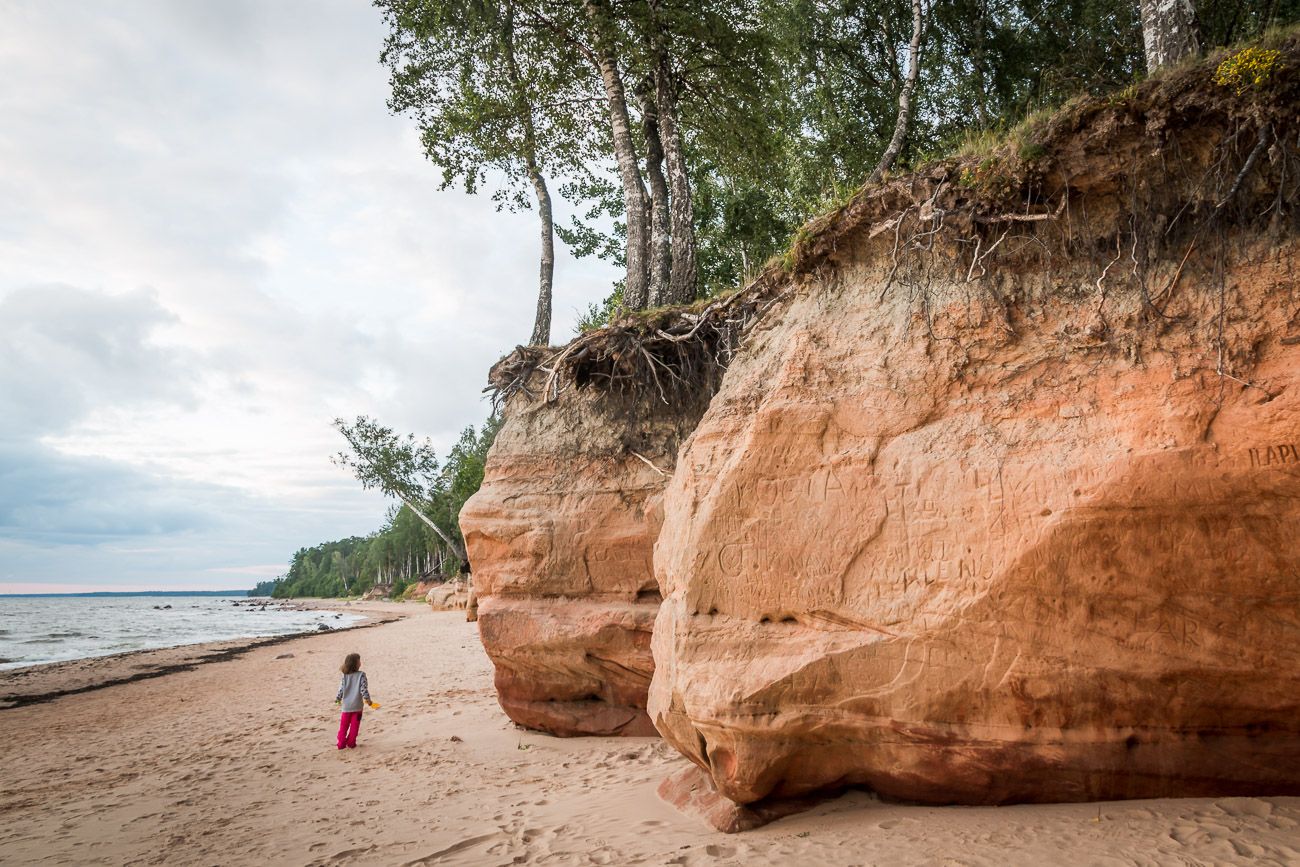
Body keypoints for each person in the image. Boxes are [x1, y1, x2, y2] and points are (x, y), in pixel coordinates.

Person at [334, 652, 377, 749]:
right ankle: (351, 743)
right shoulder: (362, 675)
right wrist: (368, 700)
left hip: (346, 707)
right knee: (354, 727)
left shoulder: (344, 676)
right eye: (359, 661)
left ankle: (341, 744)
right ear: (355, 664)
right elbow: (363, 689)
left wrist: (338, 698)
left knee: (343, 727)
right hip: (357, 707)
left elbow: (341, 689)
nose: (360, 663)